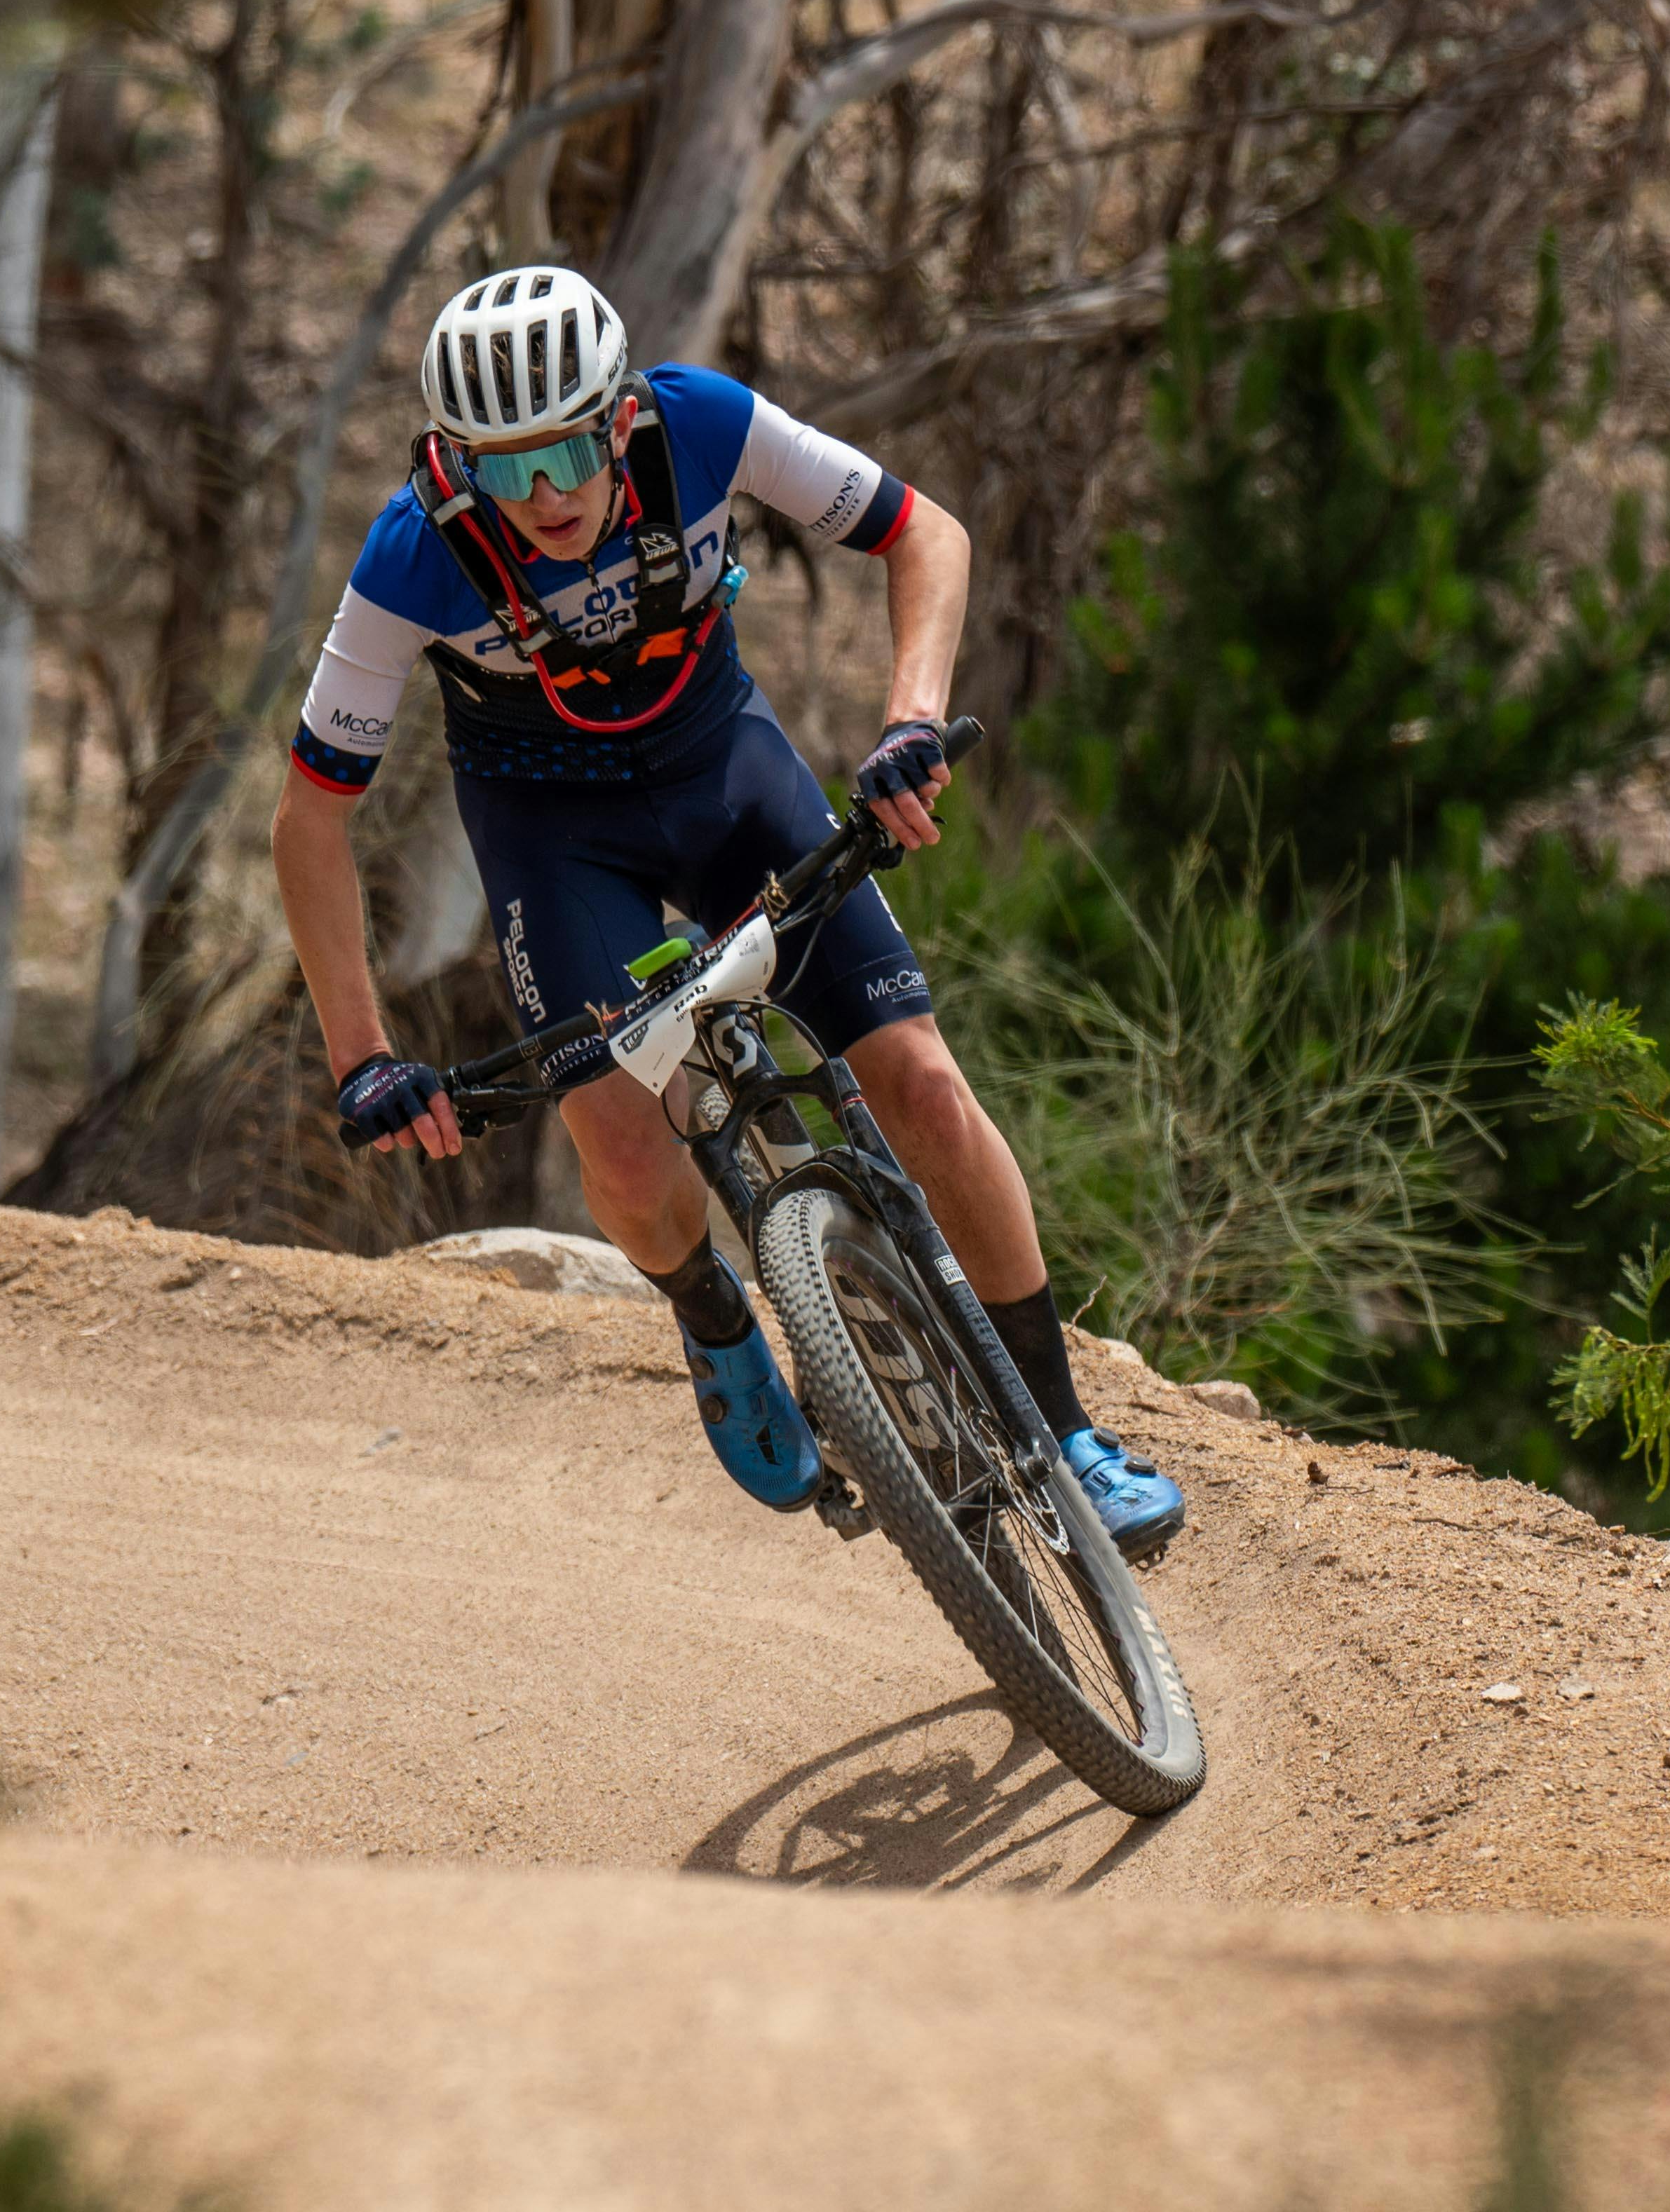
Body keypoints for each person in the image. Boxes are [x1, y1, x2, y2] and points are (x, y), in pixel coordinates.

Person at [270, 264, 1185, 1558]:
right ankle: (713, 1316)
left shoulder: (701, 422)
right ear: (452, 461)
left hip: (726, 774)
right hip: (550, 836)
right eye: (502, 468)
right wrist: (362, 1053)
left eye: (566, 453)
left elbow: (927, 532)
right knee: (628, 1156)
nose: (544, 498)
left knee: (921, 1083)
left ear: (620, 415)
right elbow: (311, 816)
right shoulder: (412, 556)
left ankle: (1066, 1433)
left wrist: (909, 723)